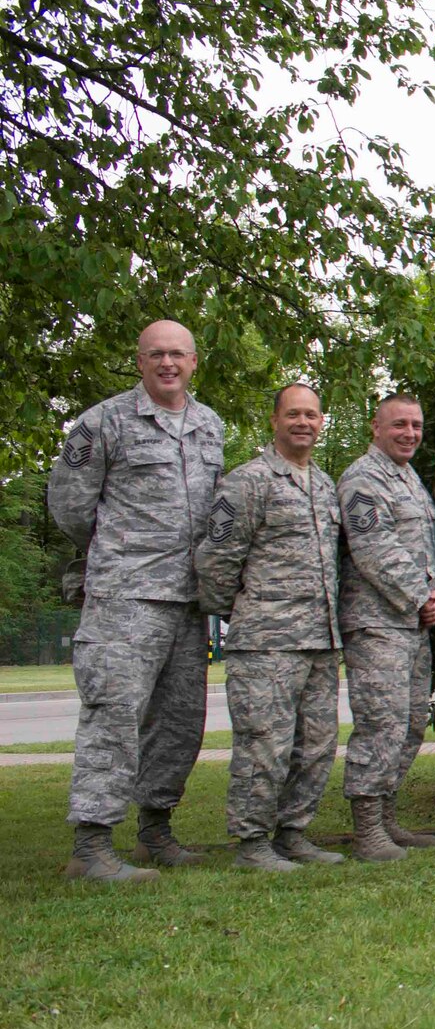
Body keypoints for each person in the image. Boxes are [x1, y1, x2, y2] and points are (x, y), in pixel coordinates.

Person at [48, 319, 226, 881]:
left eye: (178, 354)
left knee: (179, 723)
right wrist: (114, 554)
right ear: (140, 361)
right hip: (125, 598)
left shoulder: (208, 425)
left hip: (188, 600)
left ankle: (155, 832)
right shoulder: (104, 422)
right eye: (156, 354)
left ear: (194, 361)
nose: (168, 363)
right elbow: (71, 504)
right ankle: (92, 846)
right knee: (113, 717)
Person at [196, 384, 344, 871]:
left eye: (312, 415)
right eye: (293, 414)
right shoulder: (247, 482)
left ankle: (294, 832)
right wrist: (245, 613)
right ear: (275, 421)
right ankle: (253, 843)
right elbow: (217, 560)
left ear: (322, 422)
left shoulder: (323, 484)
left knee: (317, 744)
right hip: (266, 643)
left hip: (320, 640)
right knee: (265, 746)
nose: (304, 422)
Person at [336, 394, 435, 861]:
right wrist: (422, 595)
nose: (409, 433)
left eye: (416, 425)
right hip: (377, 623)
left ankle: (386, 819)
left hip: (412, 624)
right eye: (399, 425)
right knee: (381, 724)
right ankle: (367, 830)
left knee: (409, 725)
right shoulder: (362, 480)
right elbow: (374, 549)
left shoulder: (409, 480)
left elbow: (428, 548)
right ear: (375, 427)